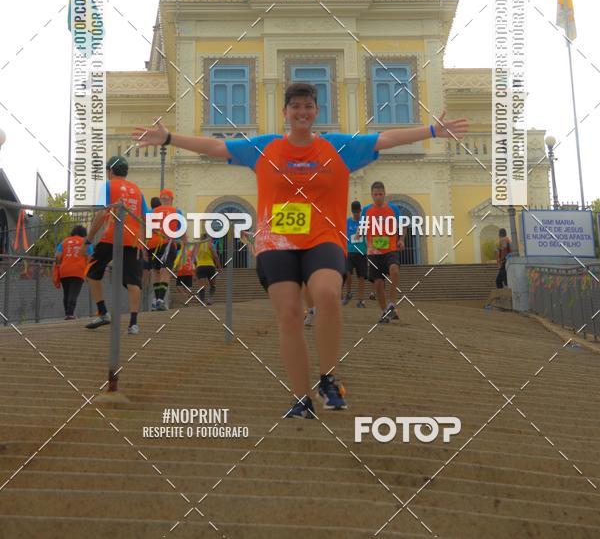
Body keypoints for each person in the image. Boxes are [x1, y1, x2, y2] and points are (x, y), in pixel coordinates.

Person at [133, 83, 467, 418]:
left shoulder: (339, 147)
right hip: (276, 244)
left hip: (322, 239)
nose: (302, 112)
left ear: (316, 112)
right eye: (295, 106)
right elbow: (216, 146)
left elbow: (384, 139)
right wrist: (168, 139)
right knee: (289, 315)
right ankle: (301, 398)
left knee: (326, 294)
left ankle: (327, 378)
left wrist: (432, 130)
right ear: (285, 112)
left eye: (308, 106)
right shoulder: (265, 148)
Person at [85, 155, 150, 335]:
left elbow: (101, 214)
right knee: (132, 281)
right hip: (132, 239)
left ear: (110, 171)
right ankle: (133, 324)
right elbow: (144, 218)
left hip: (112, 236)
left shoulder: (108, 186)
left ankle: (103, 312)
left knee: (92, 272)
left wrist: (88, 239)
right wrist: (143, 243)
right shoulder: (137, 190)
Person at [362, 183, 405, 324]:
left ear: (384, 194)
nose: (378, 196)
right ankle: (384, 312)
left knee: (395, 270)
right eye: (375, 194)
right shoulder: (366, 211)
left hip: (390, 249)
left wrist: (401, 240)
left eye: (380, 194)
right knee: (379, 284)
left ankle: (392, 302)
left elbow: (402, 225)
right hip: (374, 253)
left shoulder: (393, 209)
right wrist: (368, 245)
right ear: (372, 195)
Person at [147, 189, 186, 311]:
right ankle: (160, 299)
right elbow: (182, 231)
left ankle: (155, 299)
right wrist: (184, 245)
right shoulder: (176, 211)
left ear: (161, 199)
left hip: (152, 244)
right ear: (171, 199)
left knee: (156, 271)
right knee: (165, 270)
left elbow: (148, 230)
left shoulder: (152, 211)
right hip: (167, 243)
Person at [55, 225, 92, 319]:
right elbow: (90, 258)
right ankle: (70, 314)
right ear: (84, 233)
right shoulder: (86, 242)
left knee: (66, 293)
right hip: (78, 271)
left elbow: (58, 257)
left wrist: (59, 265)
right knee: (73, 293)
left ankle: (67, 313)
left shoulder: (64, 242)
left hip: (64, 270)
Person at [342, 201, 367, 307]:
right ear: (352, 212)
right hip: (350, 252)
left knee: (361, 277)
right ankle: (348, 293)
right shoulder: (347, 222)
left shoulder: (365, 222)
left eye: (357, 212)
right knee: (347, 272)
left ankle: (360, 300)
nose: (356, 214)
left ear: (360, 211)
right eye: (354, 212)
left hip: (362, 252)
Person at [195, 234, 221, 305]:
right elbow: (215, 256)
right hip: (210, 267)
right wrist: (219, 267)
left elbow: (194, 258)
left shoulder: (197, 246)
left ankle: (202, 301)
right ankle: (210, 299)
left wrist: (194, 268)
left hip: (200, 267)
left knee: (201, 286)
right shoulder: (211, 245)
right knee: (213, 285)